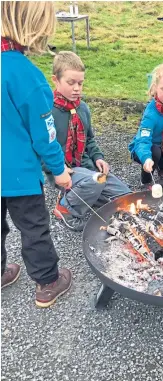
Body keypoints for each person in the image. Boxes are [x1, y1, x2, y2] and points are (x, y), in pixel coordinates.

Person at [1, 1, 73, 308]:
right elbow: (45, 133)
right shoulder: (25, 74)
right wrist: (59, 169)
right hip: (19, 176)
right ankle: (48, 282)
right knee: (33, 228)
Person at [43, 51, 131, 231]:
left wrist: (98, 157)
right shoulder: (47, 110)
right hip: (62, 170)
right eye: (71, 83)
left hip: (87, 168)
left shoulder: (82, 108)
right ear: (55, 80)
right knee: (95, 181)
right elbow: (42, 146)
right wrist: (57, 168)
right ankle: (65, 208)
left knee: (127, 198)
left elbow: (89, 139)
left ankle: (86, 193)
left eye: (80, 83)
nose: (77, 88)